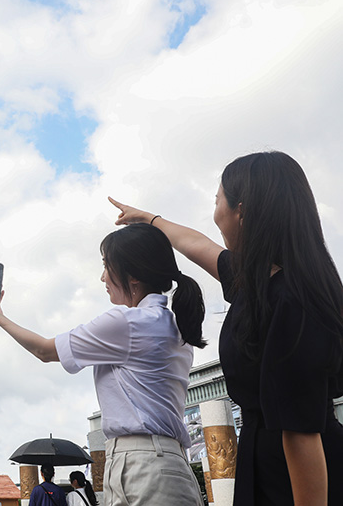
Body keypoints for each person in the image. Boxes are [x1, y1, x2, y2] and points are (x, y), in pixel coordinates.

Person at [110, 150, 343, 506]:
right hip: (266, 458)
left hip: (297, 476)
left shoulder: (292, 300)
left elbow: (300, 434)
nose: (215, 211)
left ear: (241, 211)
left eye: (218, 199)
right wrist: (150, 219)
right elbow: (198, 246)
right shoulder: (260, 284)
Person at [0, 223, 206, 506]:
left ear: (132, 276)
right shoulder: (175, 326)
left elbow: (44, 350)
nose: (102, 277)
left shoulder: (126, 323)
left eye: (106, 266)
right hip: (160, 461)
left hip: (141, 464)